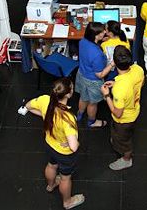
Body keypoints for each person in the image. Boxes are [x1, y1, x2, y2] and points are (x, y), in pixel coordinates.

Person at [25, 78, 85, 209]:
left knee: (51, 165)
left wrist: (43, 115)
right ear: (68, 94)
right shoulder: (67, 117)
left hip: (49, 144)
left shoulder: (45, 100)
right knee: (65, 178)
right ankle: (67, 202)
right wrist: (76, 143)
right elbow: (74, 147)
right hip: (64, 153)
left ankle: (50, 185)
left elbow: (28, 106)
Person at [100, 46, 145, 170]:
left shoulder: (119, 89)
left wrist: (107, 95)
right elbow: (137, 84)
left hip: (124, 120)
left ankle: (126, 159)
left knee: (124, 142)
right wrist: (116, 83)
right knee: (123, 136)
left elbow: (117, 112)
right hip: (135, 110)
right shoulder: (138, 69)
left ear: (115, 63)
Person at [74, 22, 114, 128]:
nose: (105, 32)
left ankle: (79, 114)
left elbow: (89, 50)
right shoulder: (97, 55)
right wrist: (111, 64)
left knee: (83, 98)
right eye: (102, 31)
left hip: (81, 74)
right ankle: (91, 122)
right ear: (96, 35)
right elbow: (100, 75)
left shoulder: (83, 41)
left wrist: (100, 41)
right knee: (92, 103)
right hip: (93, 81)